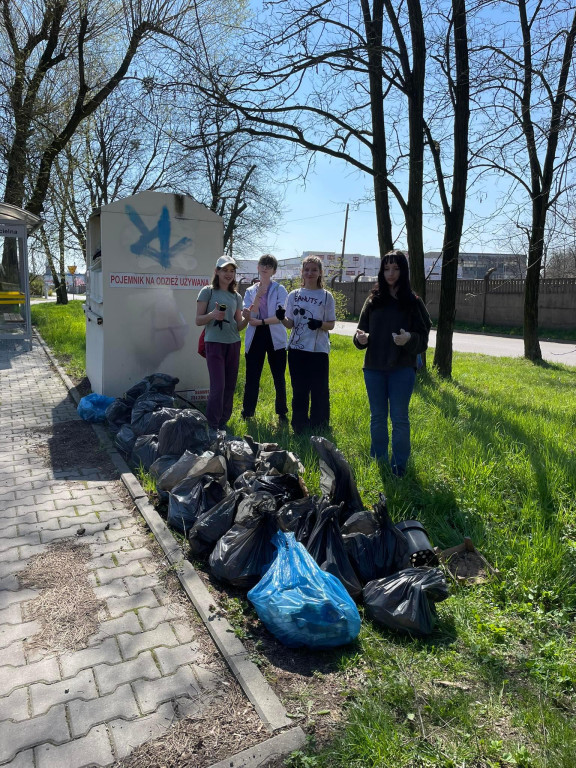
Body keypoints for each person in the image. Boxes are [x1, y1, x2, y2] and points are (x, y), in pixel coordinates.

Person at [354, 249, 431, 476]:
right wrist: (361, 339)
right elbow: (361, 332)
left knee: (399, 418)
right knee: (377, 417)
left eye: (395, 268)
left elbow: (424, 337)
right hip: (374, 368)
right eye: (386, 268)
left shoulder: (413, 302)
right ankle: (378, 461)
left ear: (403, 271)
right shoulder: (373, 300)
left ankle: (399, 466)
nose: (390, 273)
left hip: (402, 369)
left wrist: (409, 339)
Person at [276, 255, 336, 433]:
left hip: (318, 350)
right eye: (307, 269)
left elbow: (331, 324)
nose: (310, 273)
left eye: (314, 270)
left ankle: (320, 425)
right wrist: (281, 318)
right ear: (302, 272)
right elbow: (290, 324)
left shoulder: (327, 296)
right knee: (299, 389)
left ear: (320, 273)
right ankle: (299, 424)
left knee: (319, 389)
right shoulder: (294, 295)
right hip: (296, 349)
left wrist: (319, 324)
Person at [196, 256, 248, 430]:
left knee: (230, 386)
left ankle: (224, 422)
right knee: (218, 386)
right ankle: (212, 424)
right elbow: (198, 320)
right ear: (216, 271)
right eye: (225, 270)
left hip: (233, 344)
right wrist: (212, 315)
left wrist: (247, 319)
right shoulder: (207, 291)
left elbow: (238, 325)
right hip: (214, 344)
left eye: (232, 270)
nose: (228, 274)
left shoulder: (237, 296)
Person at [241, 254, 289, 422]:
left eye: (269, 265)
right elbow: (249, 315)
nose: (265, 267)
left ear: (274, 270)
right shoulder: (250, 291)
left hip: (274, 335)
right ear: (258, 267)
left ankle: (282, 413)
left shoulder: (280, 290)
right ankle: (247, 413)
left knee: (278, 376)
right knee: (252, 376)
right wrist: (258, 295)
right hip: (255, 337)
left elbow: (280, 316)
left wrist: (260, 321)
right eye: (263, 264)